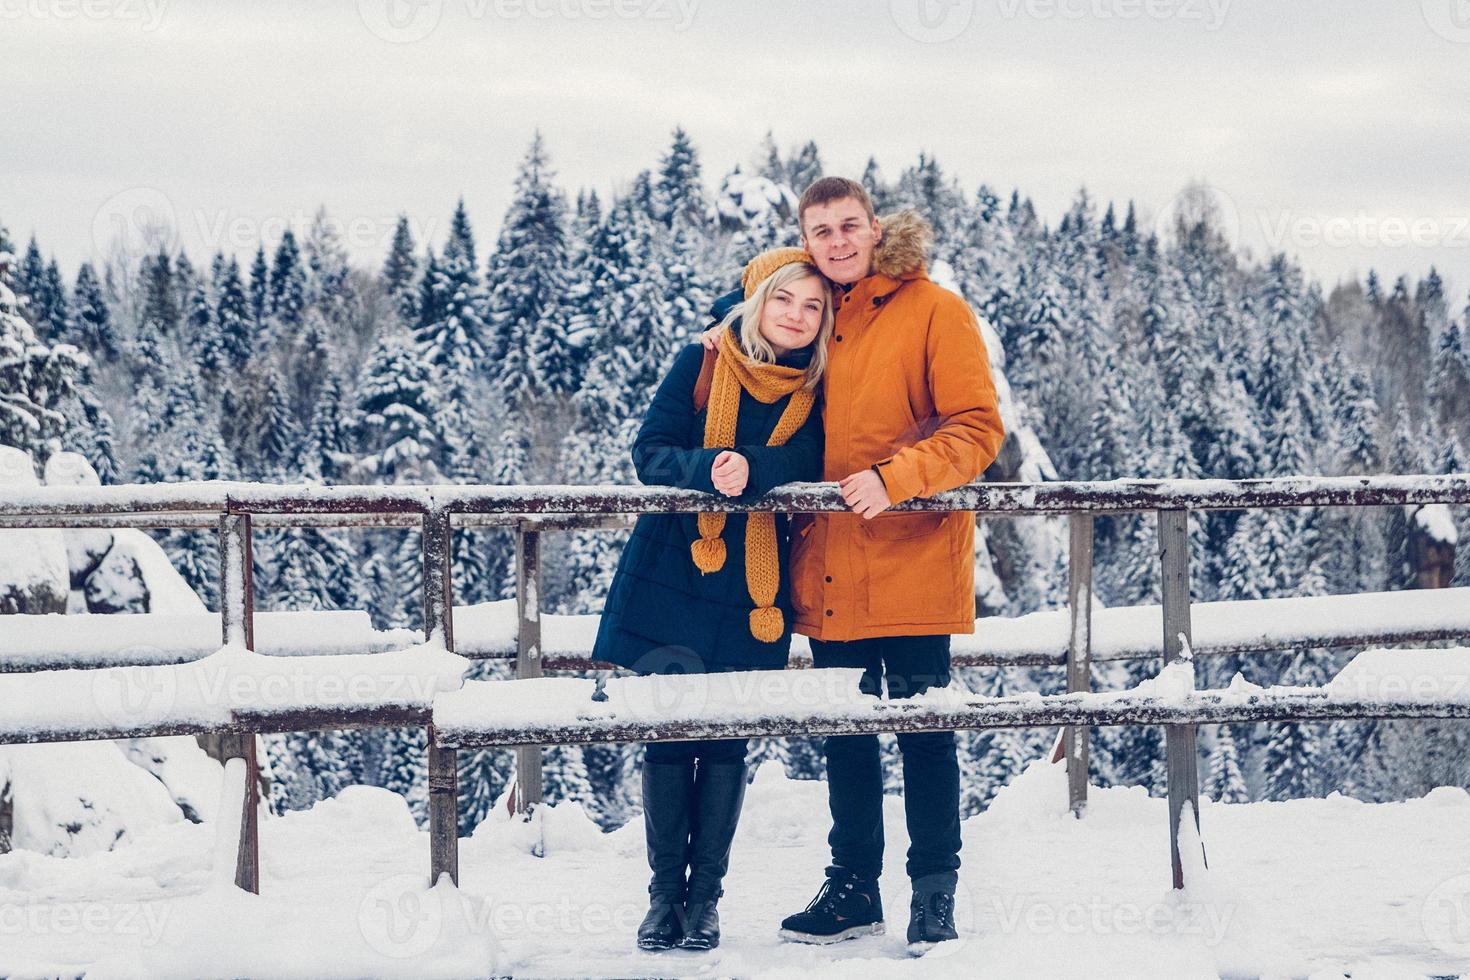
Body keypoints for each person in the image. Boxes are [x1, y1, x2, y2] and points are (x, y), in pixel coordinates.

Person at [702, 177, 1005, 951]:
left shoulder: (935, 310)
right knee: (845, 730)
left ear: (875, 230)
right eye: (820, 231)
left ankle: (934, 893)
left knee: (923, 730)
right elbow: (760, 365)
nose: (836, 242)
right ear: (806, 241)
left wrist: (896, 479)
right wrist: (719, 343)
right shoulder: (815, 315)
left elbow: (977, 429)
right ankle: (853, 889)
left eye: (848, 227)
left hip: (910, 554)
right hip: (829, 555)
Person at [590, 250, 834, 952]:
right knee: (669, 735)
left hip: (751, 587)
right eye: (784, 300)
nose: (796, 315)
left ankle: (705, 903)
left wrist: (757, 467)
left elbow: (813, 457)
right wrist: (709, 469)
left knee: (726, 739)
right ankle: (663, 899)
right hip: (674, 568)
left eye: (812, 306)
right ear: (756, 302)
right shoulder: (700, 363)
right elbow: (650, 451)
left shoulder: (819, 386)